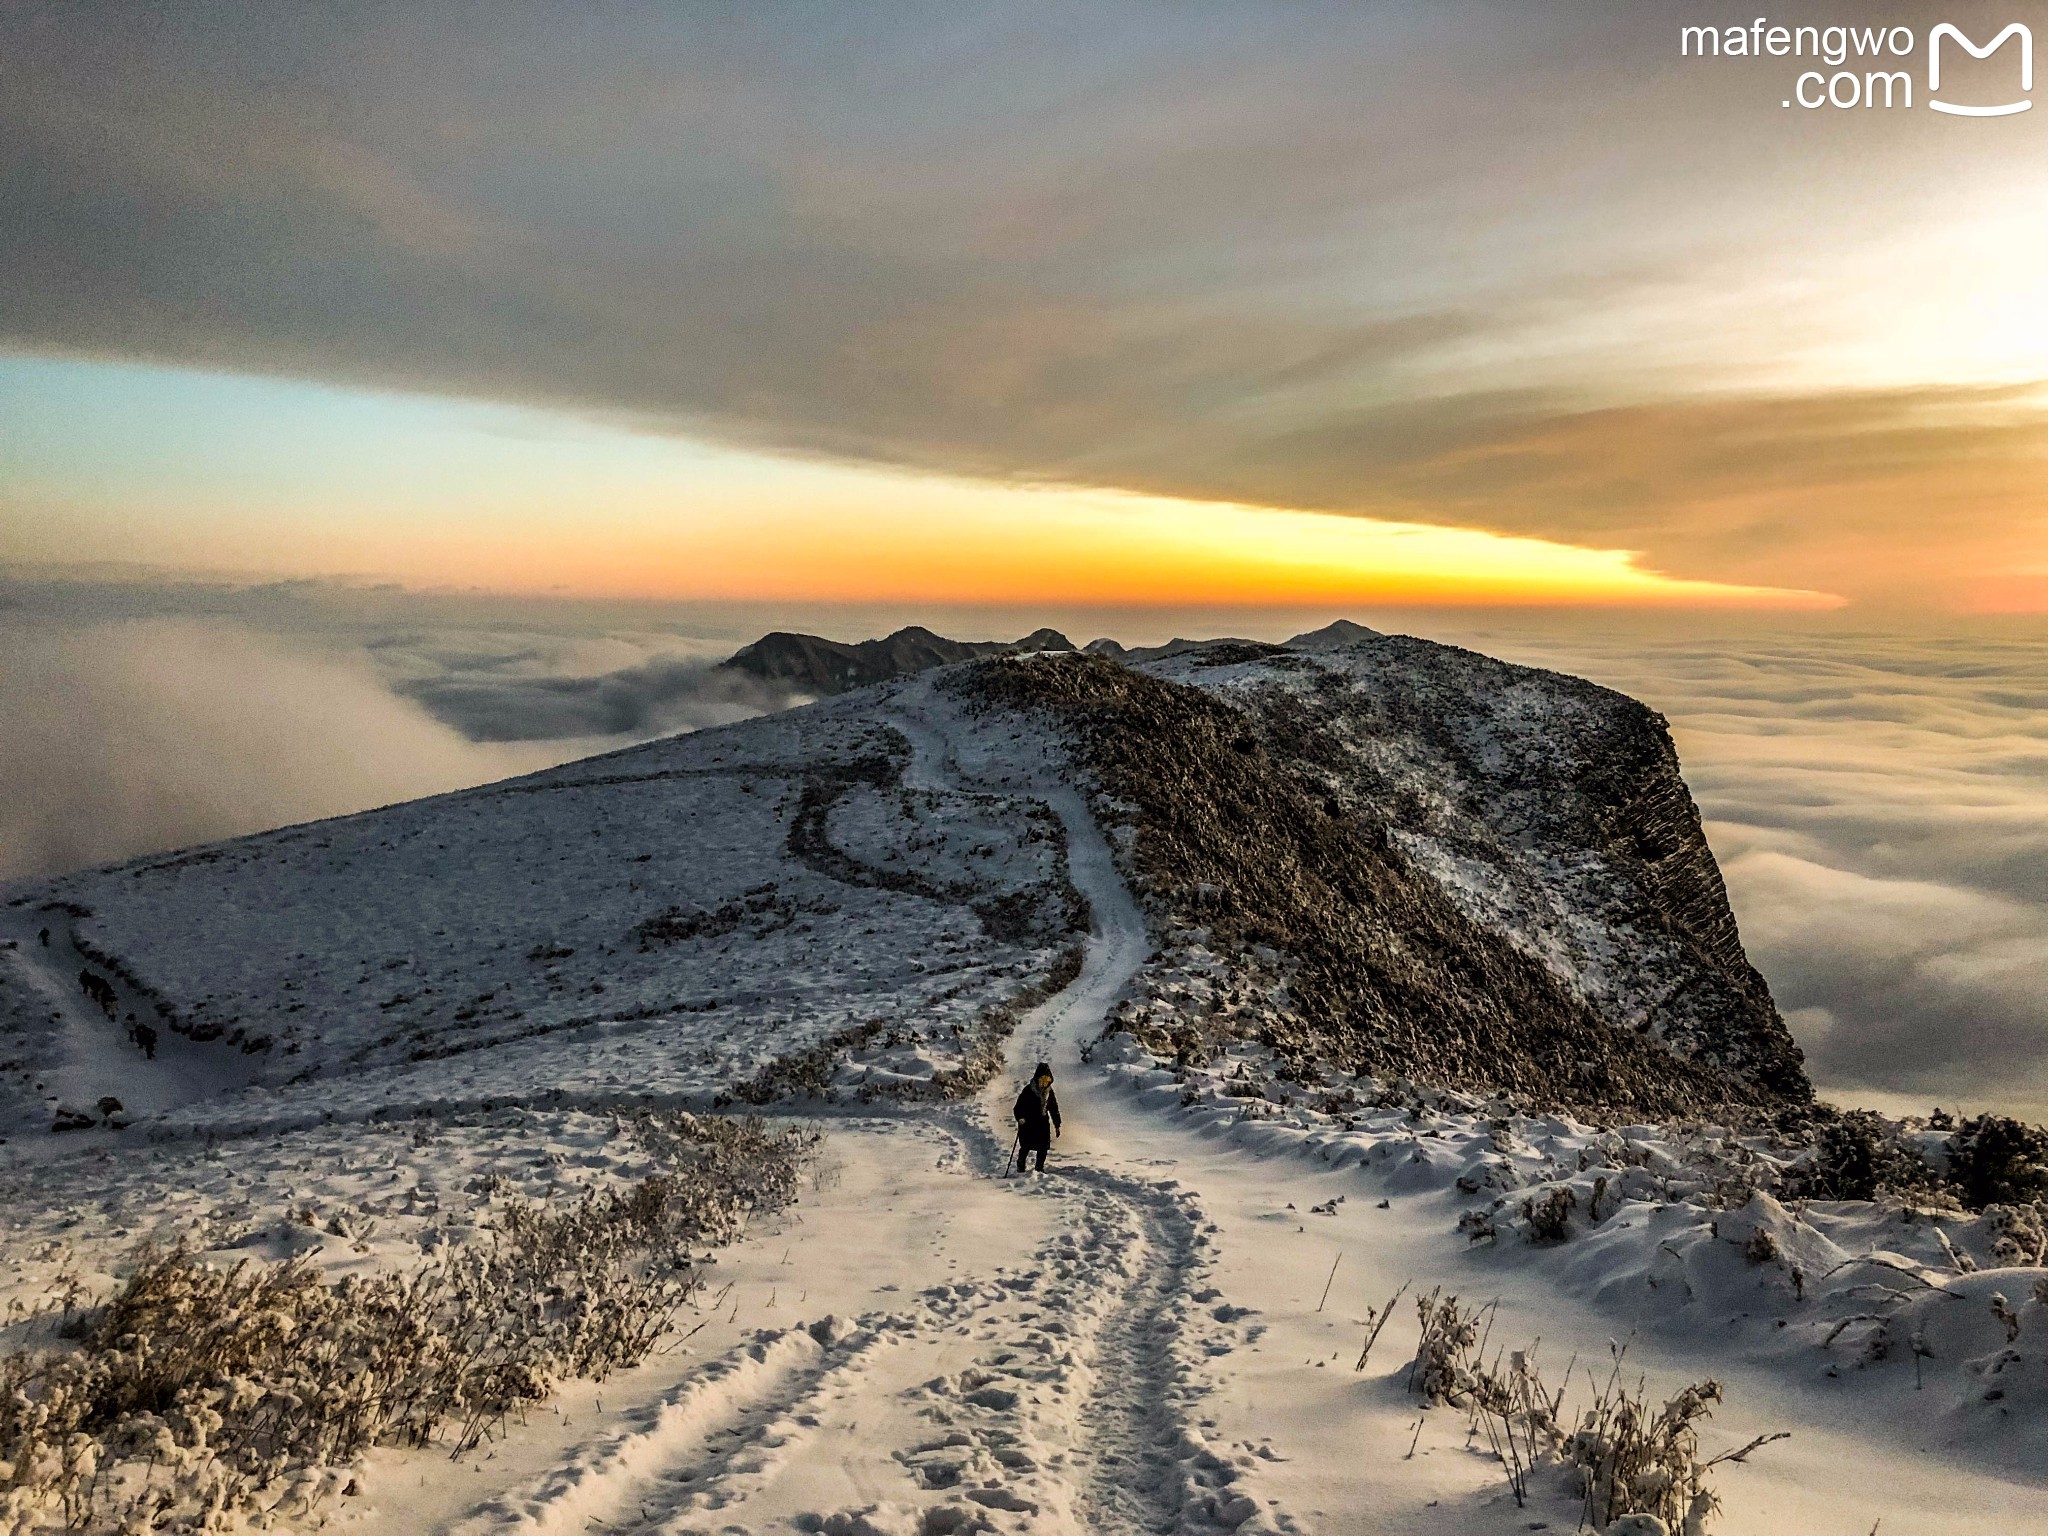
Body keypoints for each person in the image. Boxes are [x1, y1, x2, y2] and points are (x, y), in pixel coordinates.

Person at [1012, 1061, 1062, 1174]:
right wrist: (1020, 1118)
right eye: (1042, 1080)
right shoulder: (1028, 1091)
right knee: (1026, 1146)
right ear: (1037, 1079)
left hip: (1042, 1123)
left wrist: (1057, 1125)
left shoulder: (1049, 1093)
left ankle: (1039, 1168)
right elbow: (1018, 1107)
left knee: (1043, 1147)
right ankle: (1021, 1165)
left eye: (1047, 1081)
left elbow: (1054, 1109)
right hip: (1028, 1123)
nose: (1044, 1084)